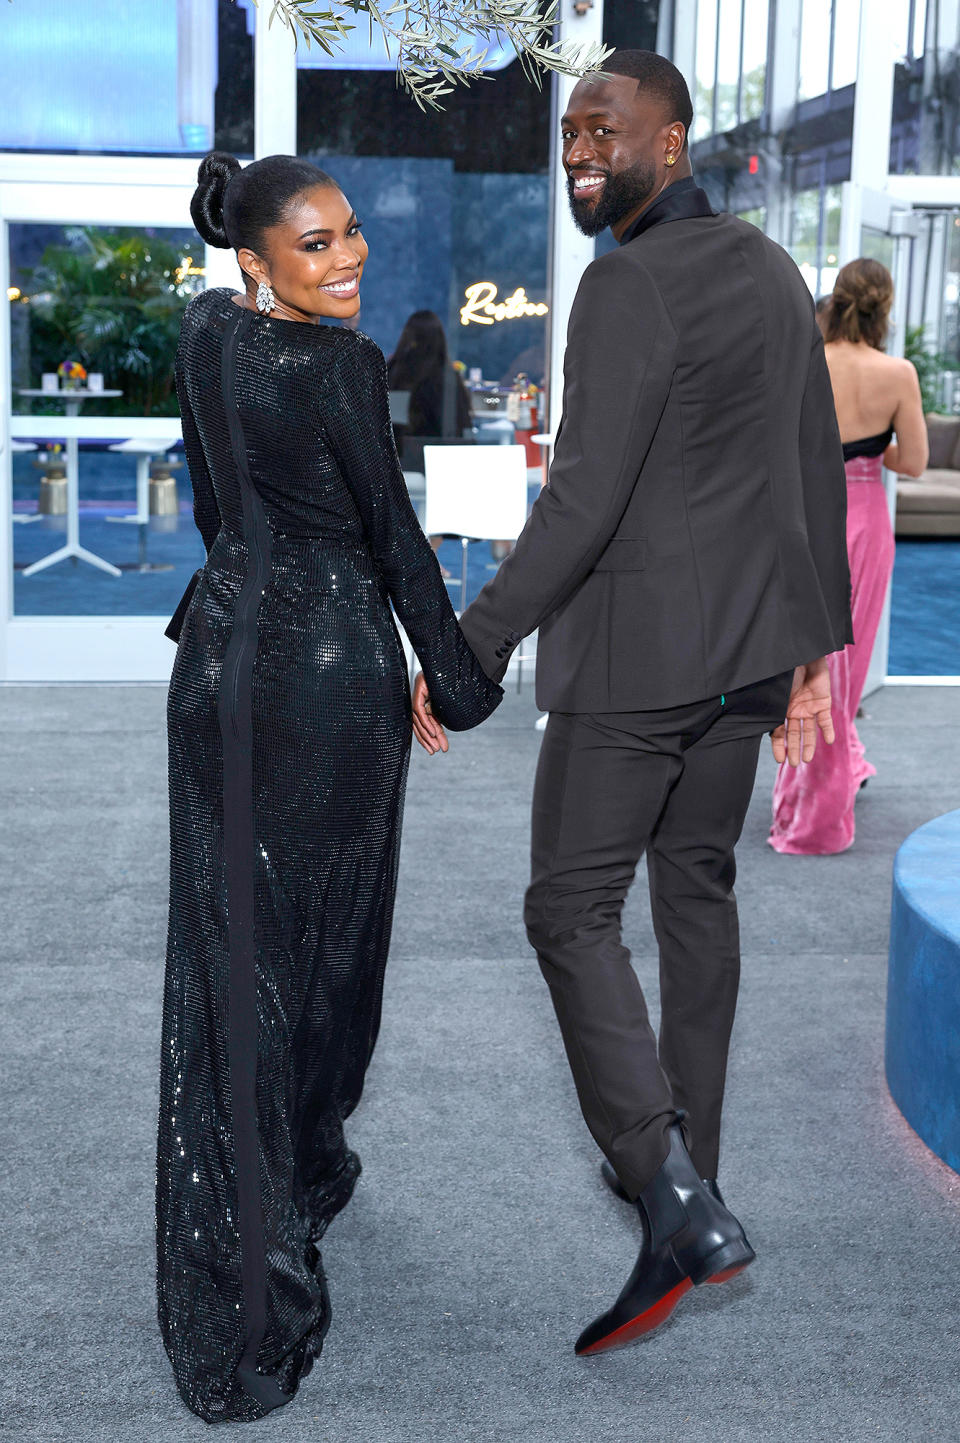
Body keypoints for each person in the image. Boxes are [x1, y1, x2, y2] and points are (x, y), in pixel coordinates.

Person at [413, 50, 851, 1354]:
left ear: (676, 135)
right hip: (740, 663)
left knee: (567, 905)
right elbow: (809, 470)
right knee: (697, 896)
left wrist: (469, 649)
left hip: (632, 666)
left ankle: (668, 1192)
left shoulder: (624, 285)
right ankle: (691, 1177)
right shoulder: (773, 271)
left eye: (606, 128)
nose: (580, 150)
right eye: (569, 135)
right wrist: (810, 651)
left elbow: (581, 501)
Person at [157, 151, 501, 1424]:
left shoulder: (202, 331)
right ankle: (270, 1256)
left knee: (228, 957)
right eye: (316, 244)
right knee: (322, 958)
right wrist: (457, 683)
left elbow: (213, 502)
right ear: (257, 258)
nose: (349, 256)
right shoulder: (346, 370)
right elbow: (397, 546)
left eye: (351, 233)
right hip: (327, 689)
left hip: (214, 674)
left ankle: (277, 1191)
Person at [770, 259, 928, 854]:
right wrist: (869, 460)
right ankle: (819, 823)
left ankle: (817, 782)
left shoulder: (806, 359)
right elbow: (912, 463)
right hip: (862, 519)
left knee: (808, 663)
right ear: (885, 308)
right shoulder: (898, 372)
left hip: (804, 516)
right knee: (845, 670)